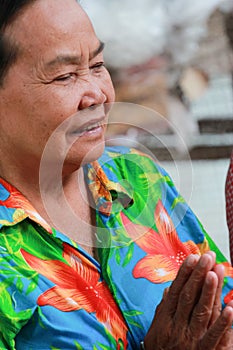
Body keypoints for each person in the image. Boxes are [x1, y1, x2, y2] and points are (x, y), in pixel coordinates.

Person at [0, 1, 233, 349]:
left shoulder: (136, 175)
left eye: (97, 65)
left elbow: (223, 311)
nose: (98, 95)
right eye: (65, 76)